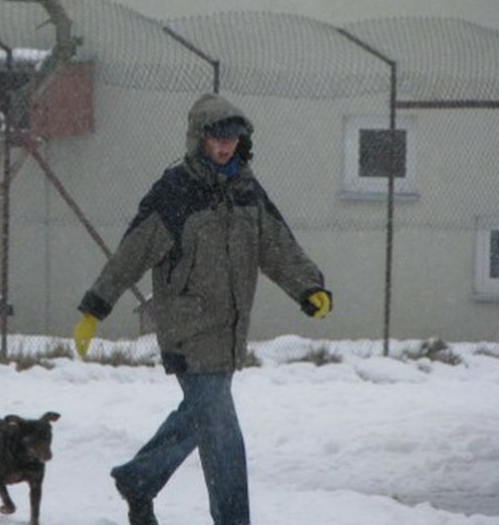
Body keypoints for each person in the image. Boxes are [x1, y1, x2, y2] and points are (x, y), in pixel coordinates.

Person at [71, 93, 332, 525]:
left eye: (232, 138)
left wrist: (308, 287)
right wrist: (95, 307)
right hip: (187, 330)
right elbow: (132, 253)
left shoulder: (246, 190)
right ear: (199, 138)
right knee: (222, 433)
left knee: (200, 418)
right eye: (217, 137)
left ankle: (139, 480)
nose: (225, 146)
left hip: (228, 332)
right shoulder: (176, 192)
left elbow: (276, 244)